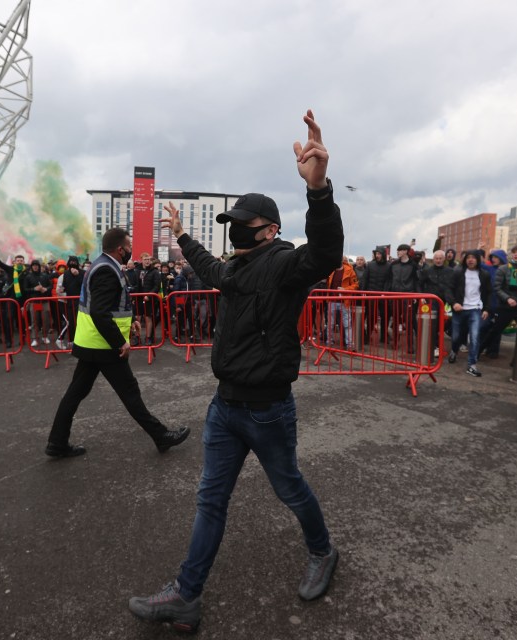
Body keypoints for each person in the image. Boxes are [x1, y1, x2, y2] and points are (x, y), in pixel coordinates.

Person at [129, 110, 341, 632]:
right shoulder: (239, 269)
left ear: (270, 229)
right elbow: (211, 269)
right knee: (210, 499)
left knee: (290, 488)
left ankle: (323, 551)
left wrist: (319, 191)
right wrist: (181, 236)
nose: (236, 232)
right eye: (232, 225)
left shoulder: (287, 263)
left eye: (244, 224)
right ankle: (186, 594)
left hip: (267, 410)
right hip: (224, 407)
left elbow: (327, 253)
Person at [45, 228, 190, 459]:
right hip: (103, 345)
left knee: (76, 392)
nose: (132, 250)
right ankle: (161, 436)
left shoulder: (103, 265)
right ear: (120, 249)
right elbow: (100, 312)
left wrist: (131, 320)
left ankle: (57, 442)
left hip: (93, 343)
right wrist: (119, 342)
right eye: (129, 246)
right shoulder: (106, 269)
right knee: (129, 392)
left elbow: (111, 303)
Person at [447, 251, 491, 377]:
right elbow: (448, 289)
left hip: (475, 309)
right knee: (455, 337)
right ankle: (454, 351)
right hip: (459, 309)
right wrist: (453, 303)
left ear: (478, 260)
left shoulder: (484, 274)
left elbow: (488, 292)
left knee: (475, 337)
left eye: (473, 258)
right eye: (468, 258)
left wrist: (487, 309)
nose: (470, 260)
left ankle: (472, 365)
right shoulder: (457, 272)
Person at [325, 256, 359, 349]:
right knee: (330, 324)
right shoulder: (331, 270)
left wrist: (345, 289)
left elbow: (355, 285)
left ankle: (349, 344)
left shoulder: (350, 270)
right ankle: (329, 342)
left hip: (344, 301)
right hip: (331, 300)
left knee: (347, 324)